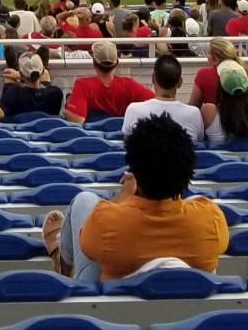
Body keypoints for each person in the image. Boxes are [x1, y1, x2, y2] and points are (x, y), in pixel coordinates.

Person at [44, 114, 227, 286]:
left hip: (112, 315)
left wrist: (125, 194)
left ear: (135, 171)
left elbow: (85, 243)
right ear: (187, 170)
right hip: (192, 315)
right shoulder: (211, 217)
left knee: (84, 200)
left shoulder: (106, 222)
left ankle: (63, 261)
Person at [63, 39, 153, 123]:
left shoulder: (83, 85)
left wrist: (66, 108)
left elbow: (77, 120)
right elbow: (155, 103)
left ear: (94, 62)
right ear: (117, 63)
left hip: (92, 137)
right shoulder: (129, 85)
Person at [120, 53, 203, 141]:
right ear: (180, 82)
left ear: (153, 78)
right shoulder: (194, 114)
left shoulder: (133, 109)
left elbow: (127, 143)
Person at [0, 49, 62, 120]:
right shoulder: (55, 93)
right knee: (46, 76)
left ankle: (12, 67)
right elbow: (45, 76)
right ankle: (38, 66)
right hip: (47, 130)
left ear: (20, 73)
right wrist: (20, 75)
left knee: (8, 76)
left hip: (17, 130)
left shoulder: (14, 93)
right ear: (42, 71)